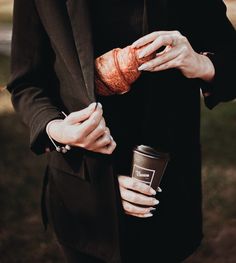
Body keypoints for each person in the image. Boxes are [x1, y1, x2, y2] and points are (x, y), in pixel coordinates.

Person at [7, 0, 236, 262]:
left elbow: (230, 59)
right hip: (84, 190)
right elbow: (26, 84)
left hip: (166, 192)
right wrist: (57, 128)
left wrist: (201, 63)